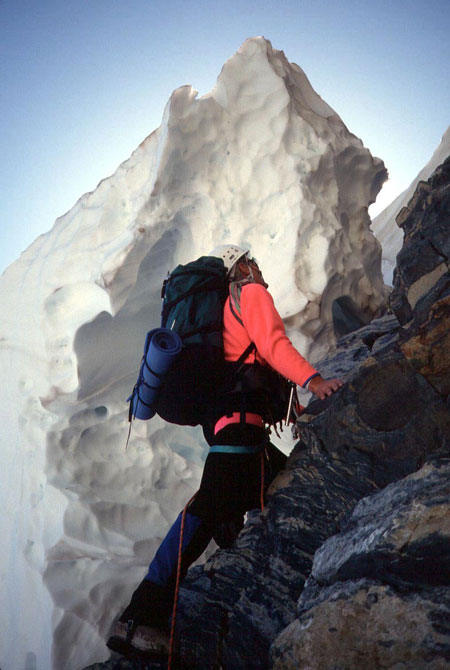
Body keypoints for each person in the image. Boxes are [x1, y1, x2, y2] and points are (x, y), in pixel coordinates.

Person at [107, 245, 343, 658]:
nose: (260, 272)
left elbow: (254, 368)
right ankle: (139, 616)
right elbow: (272, 345)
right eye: (254, 264)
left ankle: (237, 571)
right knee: (206, 509)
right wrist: (316, 380)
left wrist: (296, 408)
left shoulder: (218, 319)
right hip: (239, 424)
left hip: (228, 424)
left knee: (265, 486)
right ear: (242, 266)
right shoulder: (248, 293)